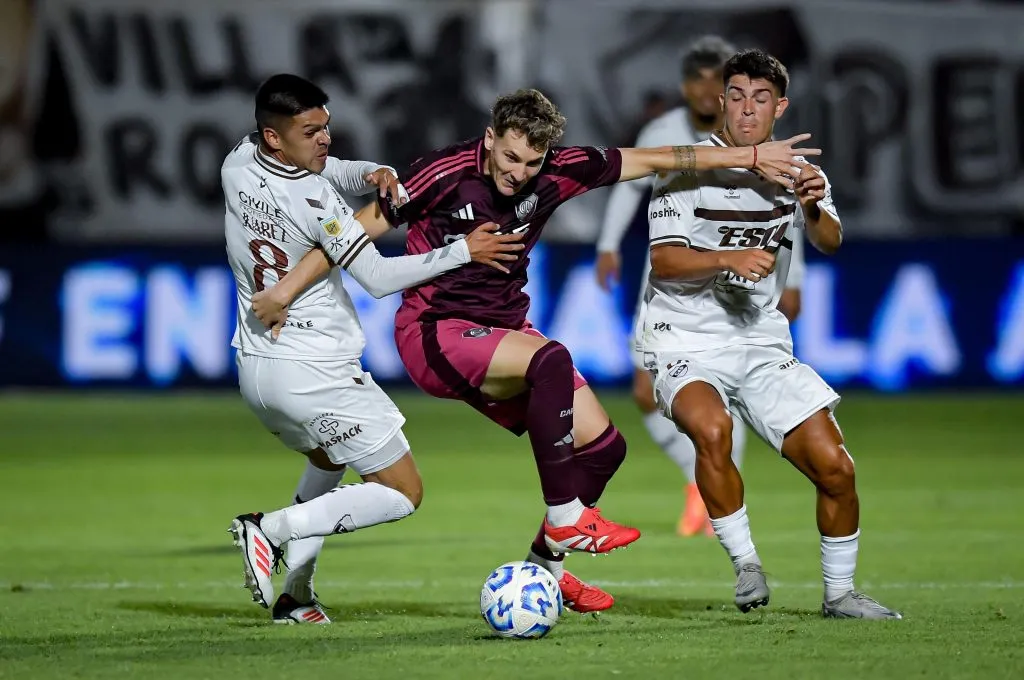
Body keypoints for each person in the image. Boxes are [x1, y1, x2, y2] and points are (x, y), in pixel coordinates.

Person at [253, 87, 817, 614]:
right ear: (491, 137)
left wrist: (747, 157)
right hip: (435, 331)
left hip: (503, 329)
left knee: (603, 448)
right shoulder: (439, 173)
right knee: (552, 361)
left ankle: (544, 570)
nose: (519, 174)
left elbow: (658, 158)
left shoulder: (556, 170)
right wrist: (283, 291)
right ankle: (566, 517)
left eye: (531, 163)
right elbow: (349, 234)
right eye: (511, 158)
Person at [223, 74, 524, 624]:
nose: (325, 140)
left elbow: (325, 167)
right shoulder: (318, 201)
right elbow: (380, 279)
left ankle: (296, 593)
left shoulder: (237, 163)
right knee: (402, 491)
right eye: (310, 131)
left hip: (257, 368)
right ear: (274, 137)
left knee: (326, 459)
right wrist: (462, 251)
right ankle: (266, 529)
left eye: (326, 127)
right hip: (315, 371)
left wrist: (371, 173)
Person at [639, 50, 900, 619]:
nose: (747, 109)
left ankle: (839, 595)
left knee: (837, 468)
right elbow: (664, 264)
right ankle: (747, 564)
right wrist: (730, 256)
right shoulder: (686, 167)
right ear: (720, 102)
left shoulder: (798, 172)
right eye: (736, 96)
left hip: (759, 341)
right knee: (712, 429)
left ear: (779, 106)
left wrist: (812, 209)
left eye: (760, 99)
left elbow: (831, 239)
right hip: (683, 338)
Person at [596, 36, 807, 538]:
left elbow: (790, 214)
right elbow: (631, 184)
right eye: (700, 78)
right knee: (646, 393)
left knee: (725, 394)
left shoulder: (768, 143)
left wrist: (794, 278)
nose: (709, 87)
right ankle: (703, 481)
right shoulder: (664, 131)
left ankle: (718, 493)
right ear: (692, 87)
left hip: (740, 290)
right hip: (676, 281)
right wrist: (606, 245)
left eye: (720, 78)